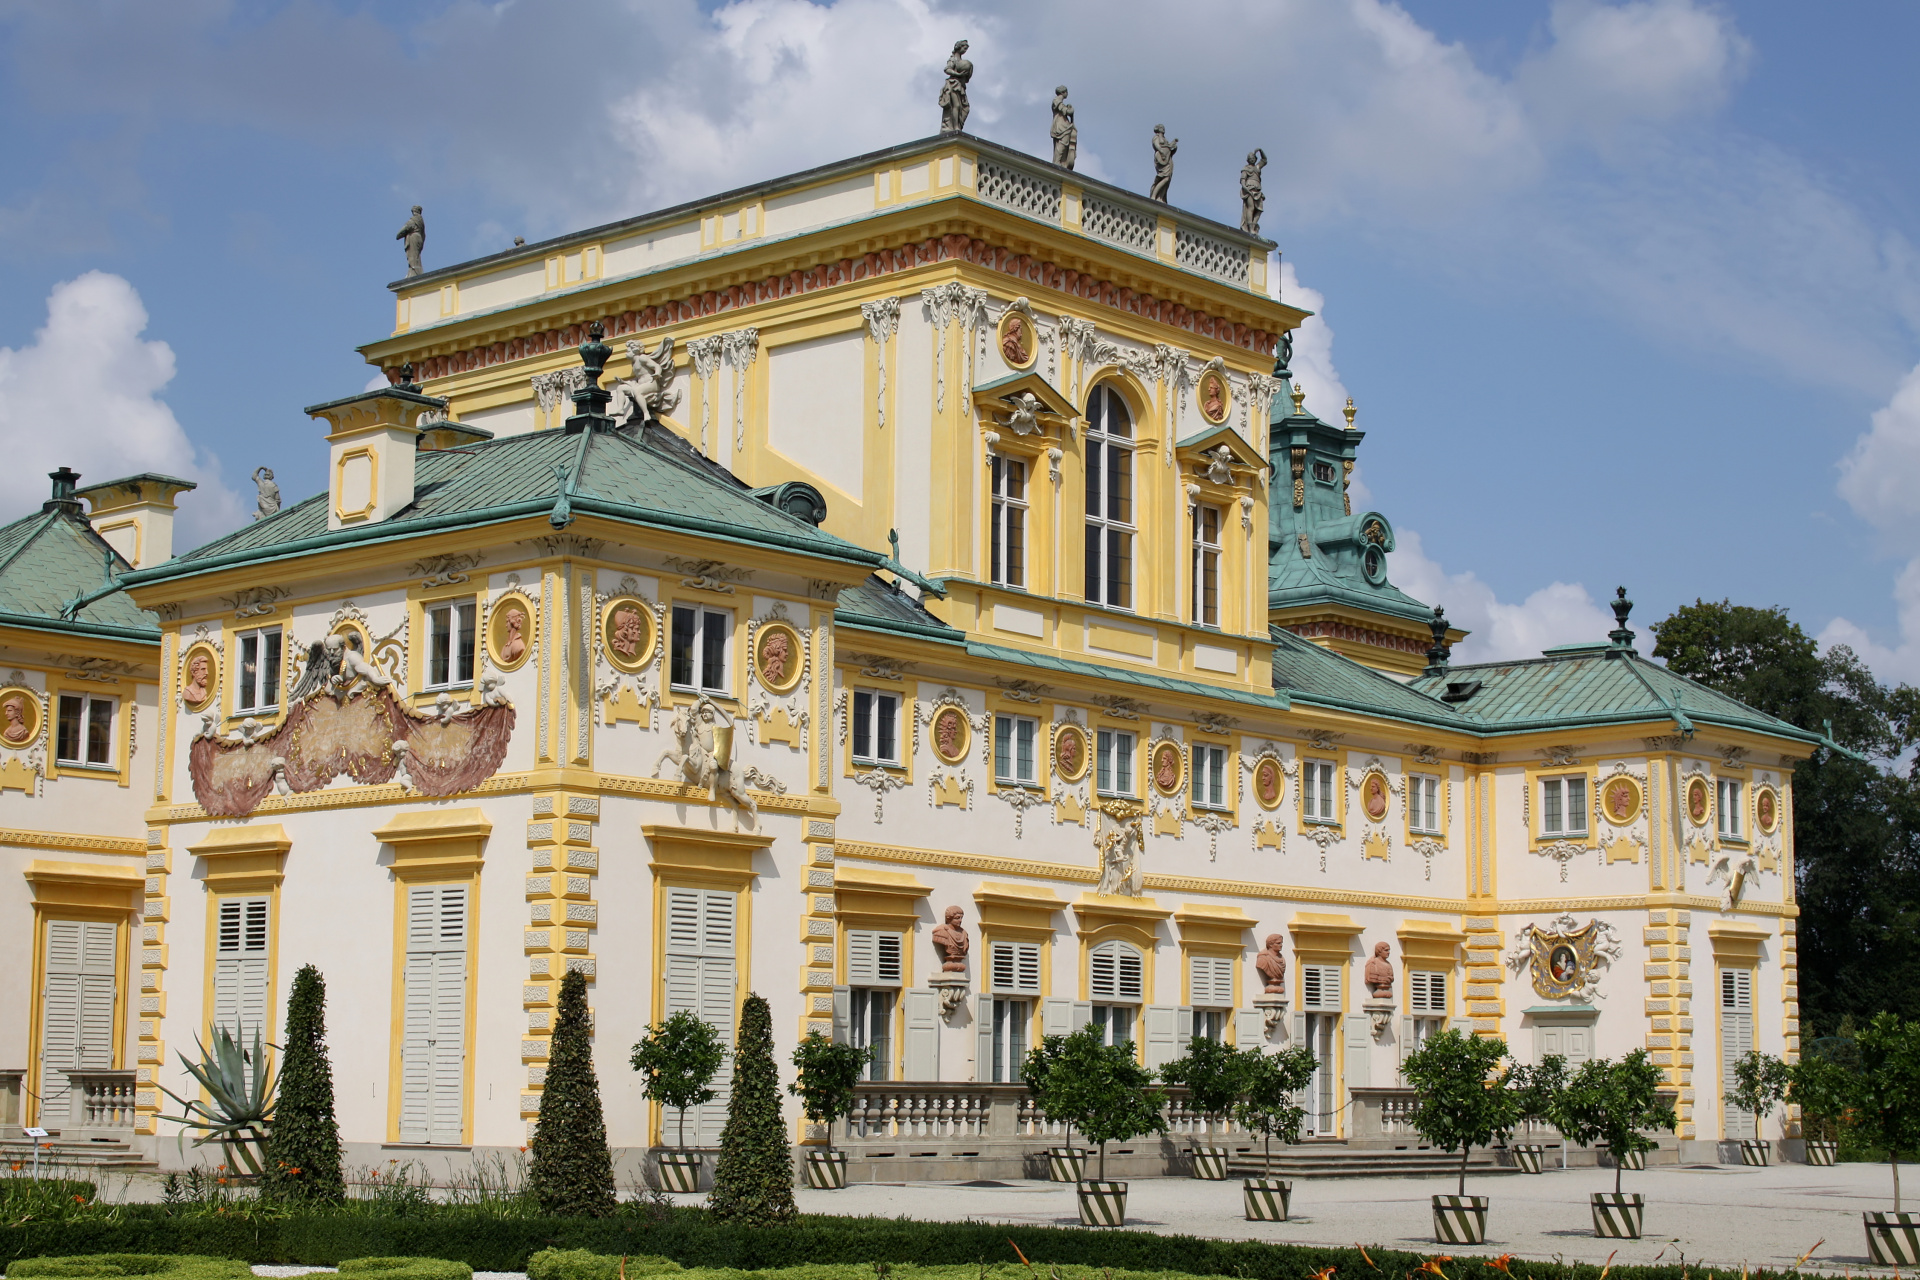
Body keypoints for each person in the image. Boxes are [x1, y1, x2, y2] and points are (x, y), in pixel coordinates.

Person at [938, 40, 972, 133]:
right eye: (964, 48)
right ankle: (955, 126)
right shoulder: (953, 59)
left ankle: (957, 125)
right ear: (959, 47)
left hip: (960, 85)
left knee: (965, 108)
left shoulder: (962, 61)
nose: (965, 51)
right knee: (956, 105)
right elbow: (947, 69)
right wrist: (958, 74)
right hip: (953, 84)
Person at [932, 906, 970, 972]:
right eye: (957, 918)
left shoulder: (964, 933)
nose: (960, 920)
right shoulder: (942, 931)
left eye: (961, 918)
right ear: (949, 918)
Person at [1239, 148, 1268, 235]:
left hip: (1257, 190)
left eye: (1253, 157)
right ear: (1248, 159)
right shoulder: (1246, 168)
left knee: (1259, 209)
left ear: (1255, 159)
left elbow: (1264, 160)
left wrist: (1260, 151)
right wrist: (1245, 188)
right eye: (1250, 157)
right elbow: (1243, 180)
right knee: (1251, 208)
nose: (1252, 159)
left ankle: (1254, 224)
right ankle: (1250, 227)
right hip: (1249, 189)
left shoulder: (1257, 167)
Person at [1050, 85, 1077, 169]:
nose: (1067, 94)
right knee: (1061, 144)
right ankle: (1057, 162)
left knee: (1064, 145)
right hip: (1060, 127)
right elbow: (1066, 111)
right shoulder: (1056, 100)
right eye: (1066, 92)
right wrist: (1070, 109)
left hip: (1064, 126)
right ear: (1063, 92)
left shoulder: (1060, 102)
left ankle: (1062, 162)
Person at [1149, 125, 1177, 202]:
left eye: (1164, 128)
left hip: (1167, 159)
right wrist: (1162, 152)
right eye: (1161, 128)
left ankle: (1160, 197)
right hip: (1161, 157)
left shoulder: (1165, 139)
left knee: (1167, 178)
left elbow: (1169, 150)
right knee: (1163, 177)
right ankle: (1154, 195)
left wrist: (1173, 148)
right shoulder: (1156, 137)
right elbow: (1157, 145)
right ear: (1158, 129)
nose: (1163, 129)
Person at [396, 205, 426, 277]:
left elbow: (400, 232)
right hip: (419, 239)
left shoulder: (413, 221)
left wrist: (401, 234)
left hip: (413, 238)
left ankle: (414, 273)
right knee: (416, 256)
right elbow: (424, 235)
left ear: (413, 211)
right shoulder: (421, 222)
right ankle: (413, 272)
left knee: (413, 257)